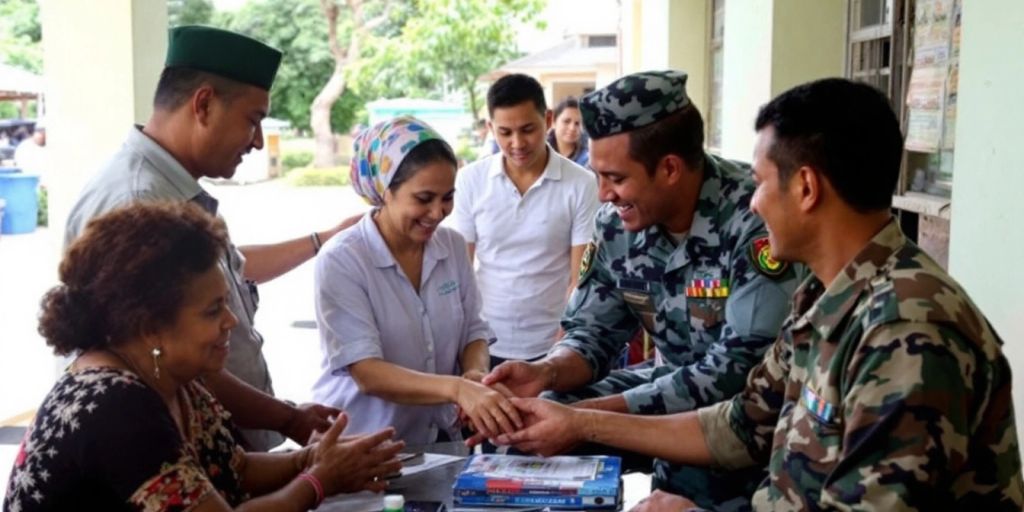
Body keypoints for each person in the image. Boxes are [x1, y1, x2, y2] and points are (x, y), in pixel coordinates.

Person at [491, 78, 1024, 511]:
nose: (753, 203)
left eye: (764, 183)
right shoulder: (825, 295)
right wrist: (571, 407)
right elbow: (741, 424)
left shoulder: (907, 329)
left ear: (807, 188)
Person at [479, 70, 801, 510]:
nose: (604, 194)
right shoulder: (617, 225)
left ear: (669, 168)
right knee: (532, 421)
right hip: (665, 385)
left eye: (615, 178)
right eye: (597, 176)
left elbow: (736, 371)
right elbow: (592, 332)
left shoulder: (753, 219)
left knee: (572, 422)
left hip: (745, 415)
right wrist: (547, 372)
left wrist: (586, 421)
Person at [4, 202, 405, 511]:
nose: (231, 321)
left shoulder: (169, 375)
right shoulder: (115, 406)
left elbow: (234, 469)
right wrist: (320, 480)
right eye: (213, 310)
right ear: (149, 325)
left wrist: (312, 457)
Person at [63, 26, 348, 451]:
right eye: (253, 121)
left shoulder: (172, 190)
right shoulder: (139, 202)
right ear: (204, 104)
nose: (256, 141)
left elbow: (230, 268)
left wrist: (322, 239)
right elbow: (166, 359)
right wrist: (288, 418)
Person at [312, 116, 522, 447]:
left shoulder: (451, 246)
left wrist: (474, 374)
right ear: (386, 190)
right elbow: (367, 372)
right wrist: (455, 388)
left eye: (447, 197)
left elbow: (473, 332)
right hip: (362, 448)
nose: (438, 212)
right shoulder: (343, 259)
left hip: (441, 442)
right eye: (424, 198)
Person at [452, 74, 599, 368]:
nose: (517, 143)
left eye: (527, 129)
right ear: (490, 128)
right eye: (505, 132)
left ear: (547, 119)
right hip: (483, 343)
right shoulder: (470, 180)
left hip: (553, 344)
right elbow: (460, 271)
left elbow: (579, 279)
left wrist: (563, 342)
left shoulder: (581, 183)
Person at [546, 97, 589, 167]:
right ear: (553, 122)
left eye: (577, 123)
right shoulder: (540, 153)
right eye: (566, 121)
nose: (572, 128)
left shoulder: (588, 161)